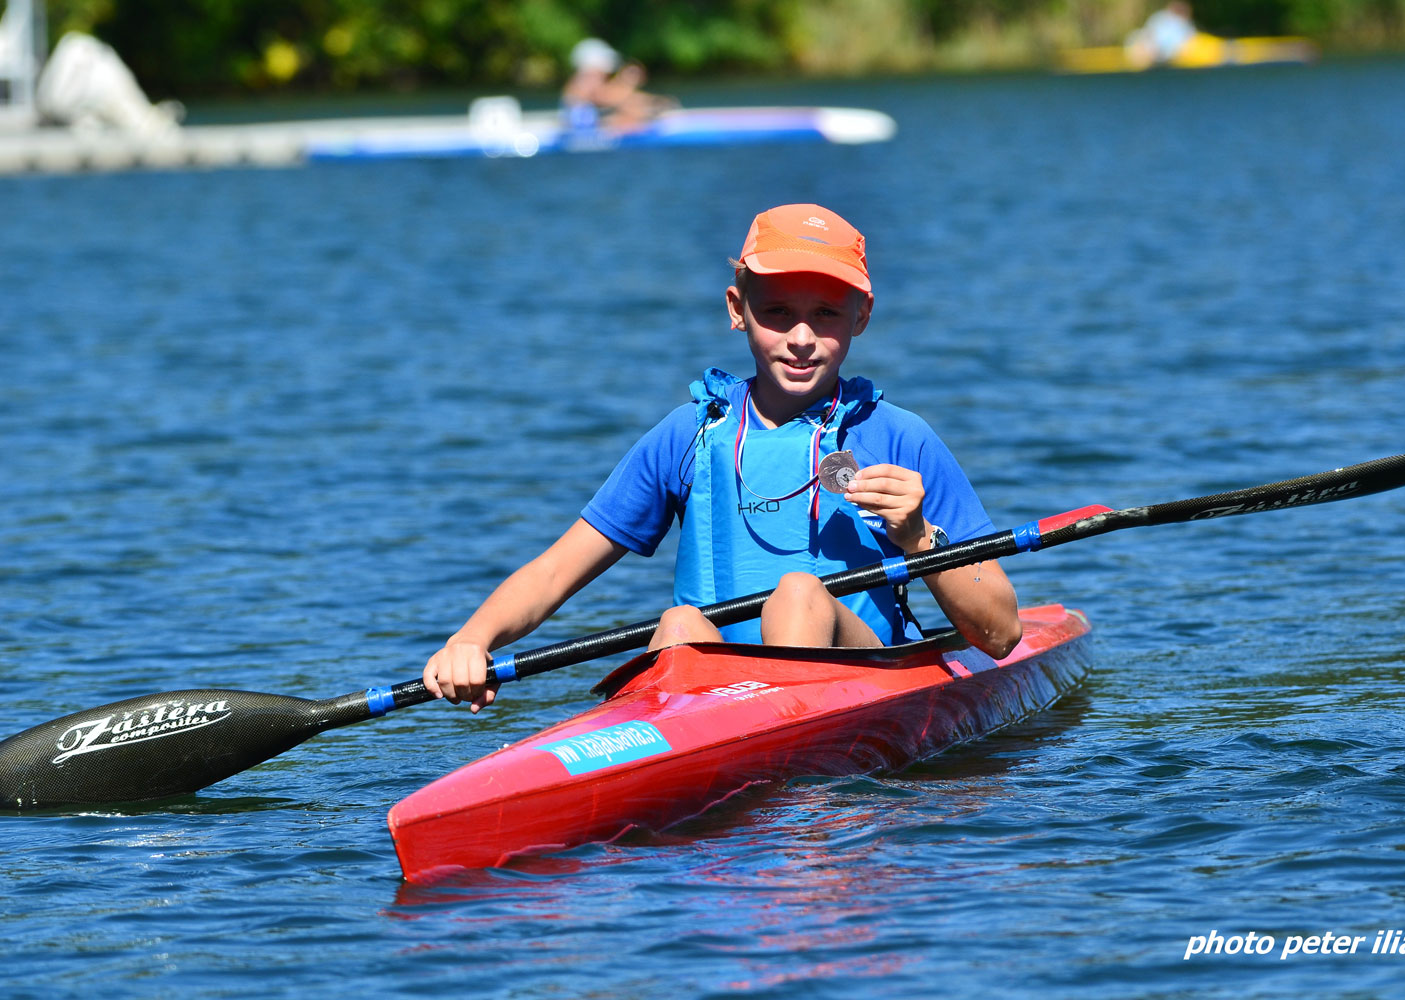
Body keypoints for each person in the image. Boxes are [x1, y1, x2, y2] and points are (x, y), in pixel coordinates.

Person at [425, 204, 1022, 712]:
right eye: (777, 312)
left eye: (826, 314)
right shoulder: (688, 433)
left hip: (866, 681)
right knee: (679, 626)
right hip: (718, 701)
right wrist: (472, 640)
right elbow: (557, 570)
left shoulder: (899, 436)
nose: (802, 338)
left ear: (861, 317)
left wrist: (918, 537)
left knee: (799, 593)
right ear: (738, 309)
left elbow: (999, 634)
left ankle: (789, 769)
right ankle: (696, 756)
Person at [560, 37, 676, 131]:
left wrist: (651, 101)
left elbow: (616, 96)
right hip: (583, 130)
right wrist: (651, 104)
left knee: (629, 113)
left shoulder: (581, 80)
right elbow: (612, 97)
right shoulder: (588, 79)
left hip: (586, 126)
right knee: (631, 116)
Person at [1127, 1, 1198, 66]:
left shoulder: (1185, 26)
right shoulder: (1160, 18)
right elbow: (1149, 34)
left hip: (1166, 57)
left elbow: (1185, 47)